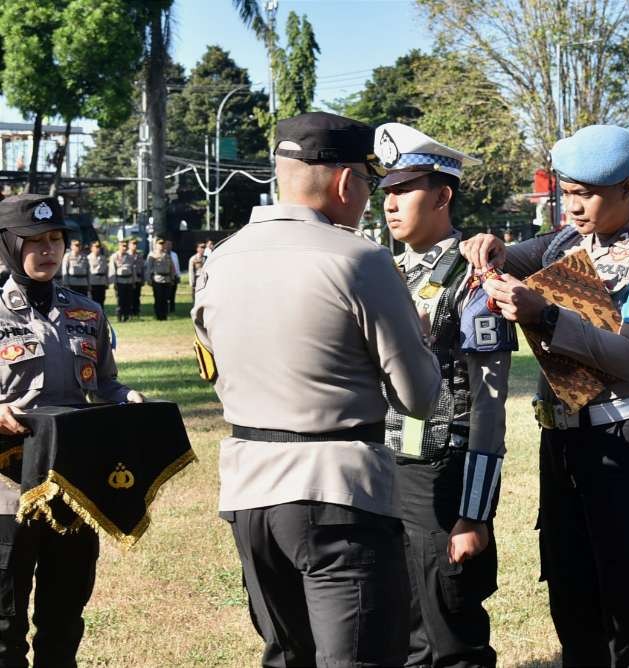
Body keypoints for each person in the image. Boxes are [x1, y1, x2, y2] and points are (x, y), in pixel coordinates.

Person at [192, 111, 442, 667]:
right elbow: (420, 398)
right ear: (347, 182)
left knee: (286, 656)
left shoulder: (219, 261)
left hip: (249, 489)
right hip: (337, 491)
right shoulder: (361, 259)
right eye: (370, 184)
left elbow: (216, 370)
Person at [461, 124, 629, 667]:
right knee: (570, 597)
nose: (573, 207)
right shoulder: (564, 242)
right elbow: (508, 256)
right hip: (563, 442)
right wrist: (490, 246)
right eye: (567, 193)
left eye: (587, 195)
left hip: (624, 439)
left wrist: (547, 316)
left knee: (628, 604)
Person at [375, 123, 516, 668]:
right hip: (389, 469)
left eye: (403, 190)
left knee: (451, 634)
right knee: (402, 631)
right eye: (385, 190)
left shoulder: (472, 276)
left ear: (441, 195)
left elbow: (488, 406)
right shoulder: (383, 271)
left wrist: (475, 513)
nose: (390, 203)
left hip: (443, 475)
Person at [0, 194, 145, 667]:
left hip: (74, 486)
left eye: (56, 239)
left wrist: (127, 399)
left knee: (65, 617)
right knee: (4, 622)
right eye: (34, 241)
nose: (47, 250)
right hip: (6, 488)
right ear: (7, 245)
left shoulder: (87, 312)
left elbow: (105, 384)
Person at [145, 238, 175, 321]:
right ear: (156, 245)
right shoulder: (152, 256)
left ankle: (164, 315)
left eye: (163, 244)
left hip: (167, 279)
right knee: (158, 298)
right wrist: (149, 280)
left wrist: (172, 278)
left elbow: (172, 268)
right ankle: (159, 315)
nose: (161, 245)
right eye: (160, 244)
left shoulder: (167, 255)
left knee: (165, 299)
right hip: (157, 279)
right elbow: (148, 269)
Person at [110, 241, 138, 322]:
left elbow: (133, 270)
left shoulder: (129, 256)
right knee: (120, 300)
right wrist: (114, 283)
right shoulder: (114, 256)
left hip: (128, 281)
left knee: (128, 300)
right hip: (119, 281)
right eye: (123, 246)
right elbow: (112, 270)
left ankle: (126, 316)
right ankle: (119, 316)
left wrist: (134, 281)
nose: (124, 248)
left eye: (125, 246)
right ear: (119, 246)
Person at [87, 240, 109, 308]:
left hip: (102, 281)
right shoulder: (88, 258)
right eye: (96, 247)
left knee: (101, 299)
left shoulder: (103, 258)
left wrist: (107, 282)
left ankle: (101, 315)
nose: (98, 249)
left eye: (99, 247)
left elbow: (106, 271)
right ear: (91, 248)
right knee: (93, 300)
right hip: (92, 281)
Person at [127, 238, 144, 317]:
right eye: (133, 244)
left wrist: (143, 279)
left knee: (137, 296)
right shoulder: (127, 255)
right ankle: (129, 313)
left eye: (136, 244)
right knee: (129, 296)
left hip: (138, 278)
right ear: (129, 245)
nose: (135, 246)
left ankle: (136, 312)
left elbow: (142, 268)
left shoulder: (139, 255)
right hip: (129, 279)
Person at [165, 240, 180, 313]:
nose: (169, 247)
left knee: (173, 294)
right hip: (166, 277)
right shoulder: (164, 255)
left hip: (174, 276)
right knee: (166, 293)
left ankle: (172, 308)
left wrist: (178, 275)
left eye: (170, 245)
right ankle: (166, 308)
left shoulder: (174, 254)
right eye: (167, 245)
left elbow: (177, 266)